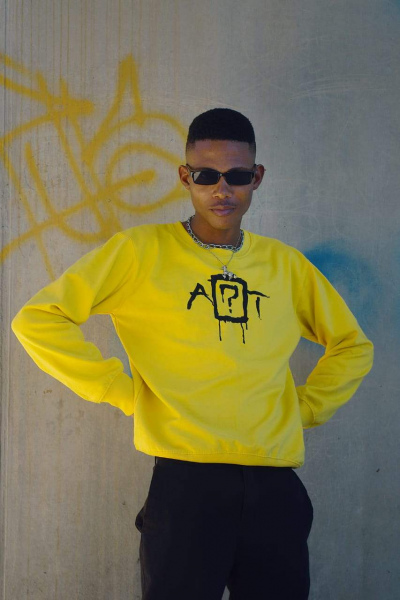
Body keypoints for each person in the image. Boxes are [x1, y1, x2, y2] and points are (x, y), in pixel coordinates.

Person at [11, 108, 374, 600]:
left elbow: (352, 345)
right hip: (185, 485)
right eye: (206, 176)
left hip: (273, 486)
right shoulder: (140, 252)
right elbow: (38, 319)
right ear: (185, 177)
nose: (222, 190)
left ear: (257, 178)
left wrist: (304, 408)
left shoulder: (286, 265)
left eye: (237, 176)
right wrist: (122, 392)